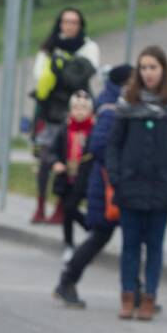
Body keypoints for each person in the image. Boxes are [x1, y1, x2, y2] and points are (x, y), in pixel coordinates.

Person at [106, 45, 167, 321]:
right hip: (130, 186)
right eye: (143, 68)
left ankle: (149, 298)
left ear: (163, 70)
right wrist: (117, 177)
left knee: (155, 245)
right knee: (130, 245)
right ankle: (128, 296)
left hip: (162, 187)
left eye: (153, 67)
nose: (148, 73)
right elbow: (114, 145)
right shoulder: (127, 103)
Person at [53, 64, 133, 308]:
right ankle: (67, 280)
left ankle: (136, 291)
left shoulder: (118, 103)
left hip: (114, 185)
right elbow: (99, 147)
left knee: (125, 238)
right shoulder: (111, 108)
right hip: (107, 186)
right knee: (99, 236)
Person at [31, 7, 100, 223]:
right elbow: (39, 75)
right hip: (50, 111)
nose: (69, 26)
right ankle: (40, 205)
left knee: (71, 159)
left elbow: (79, 78)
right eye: (65, 21)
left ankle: (61, 207)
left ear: (80, 26)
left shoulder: (88, 48)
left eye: (74, 22)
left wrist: (61, 70)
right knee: (45, 158)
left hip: (76, 111)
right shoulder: (49, 46)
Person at [49, 91, 94, 262]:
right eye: (76, 107)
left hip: (85, 178)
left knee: (70, 207)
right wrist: (56, 163)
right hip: (66, 176)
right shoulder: (65, 128)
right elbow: (53, 151)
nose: (79, 111)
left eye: (83, 107)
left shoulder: (93, 130)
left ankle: (90, 228)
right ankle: (68, 243)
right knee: (67, 212)